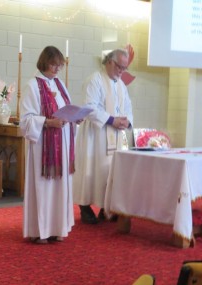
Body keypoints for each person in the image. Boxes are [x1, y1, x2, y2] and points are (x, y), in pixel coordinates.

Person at [20, 46, 76, 244]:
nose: (57, 68)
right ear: (44, 62)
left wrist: (75, 118)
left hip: (63, 142)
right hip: (43, 146)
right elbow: (25, 120)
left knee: (60, 187)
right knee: (44, 187)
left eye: (59, 65)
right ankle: (40, 230)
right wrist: (48, 122)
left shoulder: (60, 85)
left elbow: (66, 109)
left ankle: (57, 228)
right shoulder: (33, 86)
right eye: (54, 64)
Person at [73, 48, 133, 224]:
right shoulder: (94, 80)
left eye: (124, 68)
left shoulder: (121, 85)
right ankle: (84, 207)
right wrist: (111, 120)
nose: (122, 71)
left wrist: (126, 122)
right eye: (119, 67)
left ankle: (106, 208)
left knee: (110, 171)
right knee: (92, 170)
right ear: (109, 62)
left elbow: (128, 107)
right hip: (96, 135)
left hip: (115, 135)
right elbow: (89, 107)